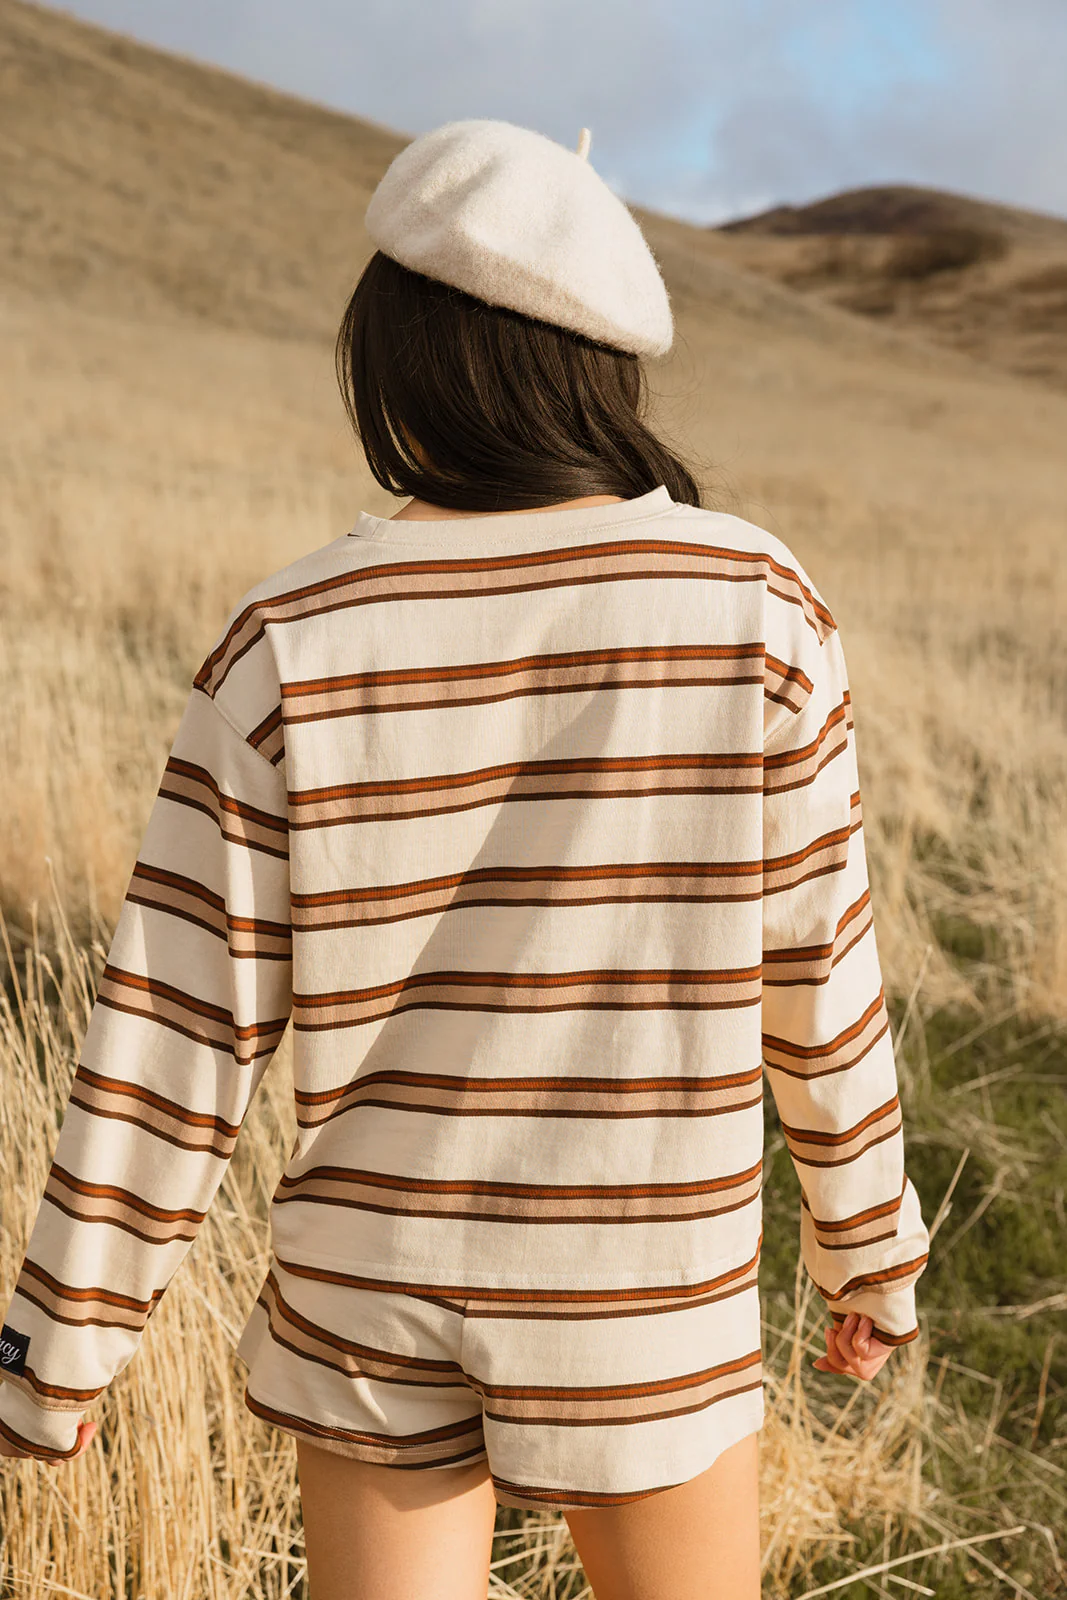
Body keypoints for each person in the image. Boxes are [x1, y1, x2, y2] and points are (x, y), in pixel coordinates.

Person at [0, 119, 930, 1599]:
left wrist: (61, 1344)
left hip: (371, 1298)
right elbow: (816, 973)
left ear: (398, 358)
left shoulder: (289, 639)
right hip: (645, 1296)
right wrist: (867, 1248)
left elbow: (172, 1032)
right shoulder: (752, 603)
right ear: (599, 369)